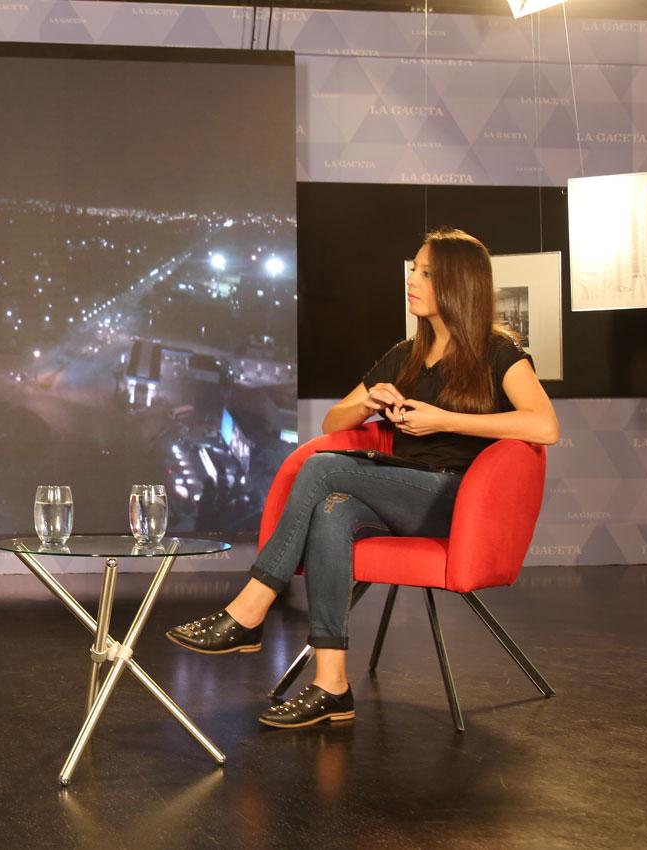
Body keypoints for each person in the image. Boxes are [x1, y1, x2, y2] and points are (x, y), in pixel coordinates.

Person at [166, 228, 559, 729]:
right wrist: (366, 404)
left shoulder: (496, 353)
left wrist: (445, 420)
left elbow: (544, 425)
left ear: (459, 285)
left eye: (425, 272)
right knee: (333, 511)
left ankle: (250, 608)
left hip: (456, 499)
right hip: (401, 487)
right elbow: (334, 423)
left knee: (324, 468)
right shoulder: (405, 355)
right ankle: (332, 685)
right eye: (413, 269)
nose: (411, 280)